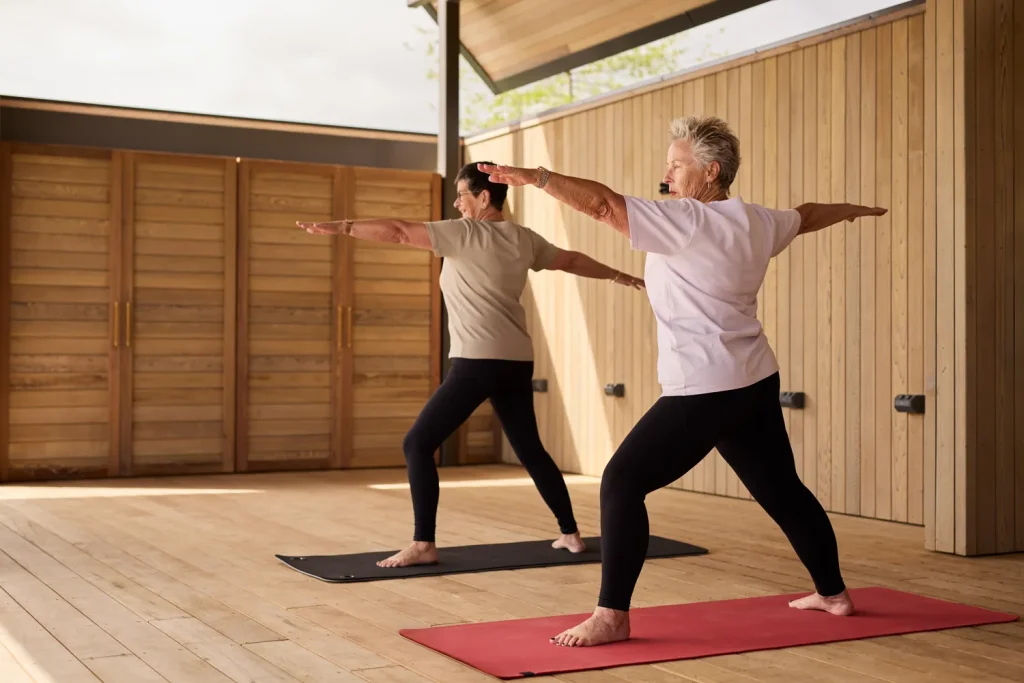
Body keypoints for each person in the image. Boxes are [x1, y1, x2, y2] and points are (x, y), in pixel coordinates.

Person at [480, 115, 887, 647]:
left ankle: (611, 616)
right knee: (781, 489)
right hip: (754, 377)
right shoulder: (757, 220)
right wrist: (853, 211)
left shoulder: (689, 221)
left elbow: (602, 204)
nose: (666, 173)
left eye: (676, 165)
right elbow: (807, 215)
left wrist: (537, 177)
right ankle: (833, 594)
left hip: (707, 384)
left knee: (622, 482)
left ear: (710, 173)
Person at [296, 161, 645, 569]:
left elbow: (397, 230)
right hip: (516, 359)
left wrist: (344, 226)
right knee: (530, 449)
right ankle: (570, 534)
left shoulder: (463, 234)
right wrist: (623, 277)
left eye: (462, 194)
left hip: (476, 360)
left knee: (417, 443)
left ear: (484, 197)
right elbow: (569, 260)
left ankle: (423, 543)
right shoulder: (523, 239)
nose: (457, 203)